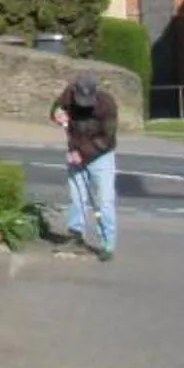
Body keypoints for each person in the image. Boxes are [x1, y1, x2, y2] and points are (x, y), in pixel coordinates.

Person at [51, 70, 118, 263]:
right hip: (75, 151)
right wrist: (58, 114)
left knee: (104, 200)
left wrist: (84, 153)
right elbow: (55, 109)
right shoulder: (68, 95)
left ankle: (107, 243)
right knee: (77, 197)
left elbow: (107, 138)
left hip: (101, 157)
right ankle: (75, 235)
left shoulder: (107, 104)